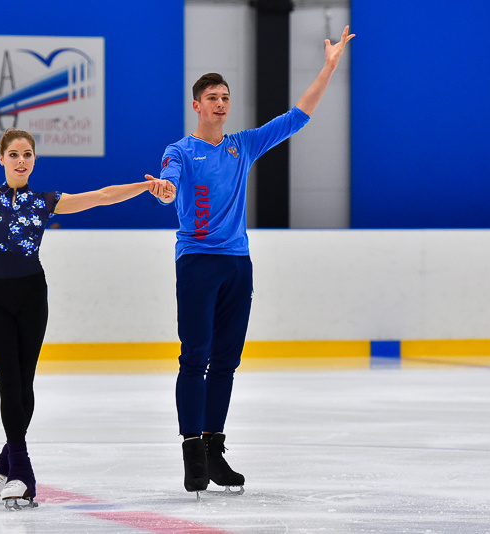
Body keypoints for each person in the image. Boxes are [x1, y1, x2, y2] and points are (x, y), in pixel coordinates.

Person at [0, 60, 174, 510]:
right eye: (14, 154)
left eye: (28, 155)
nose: (21, 161)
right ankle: (21, 469)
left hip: (31, 296)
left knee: (25, 385)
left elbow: (99, 197)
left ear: (34, 161)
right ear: (1, 160)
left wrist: (145, 187)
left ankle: (9, 464)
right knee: (8, 385)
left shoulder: (46, 202)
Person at [148, 25, 355, 497]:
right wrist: (165, 191)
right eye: (212, 97)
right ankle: (191, 449)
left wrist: (328, 66)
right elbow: (169, 181)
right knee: (194, 356)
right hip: (197, 262)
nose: (221, 103)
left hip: (238, 265)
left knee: (225, 361)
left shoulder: (243, 145)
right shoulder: (180, 150)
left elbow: (298, 116)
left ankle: (215, 448)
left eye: (225, 96)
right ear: (196, 105)